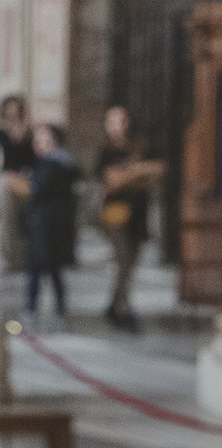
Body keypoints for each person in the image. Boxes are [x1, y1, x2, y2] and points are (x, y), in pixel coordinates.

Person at [94, 105, 163, 331]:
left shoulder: (140, 146)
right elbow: (112, 180)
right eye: (113, 121)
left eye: (122, 121)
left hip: (138, 213)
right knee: (123, 260)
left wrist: (130, 174)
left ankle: (114, 304)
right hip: (115, 212)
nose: (118, 126)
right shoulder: (106, 151)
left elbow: (157, 171)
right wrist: (138, 172)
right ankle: (123, 308)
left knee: (131, 262)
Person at [20, 122, 82, 329]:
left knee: (46, 268)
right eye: (37, 140)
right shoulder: (56, 163)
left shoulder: (55, 164)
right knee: (44, 269)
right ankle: (46, 309)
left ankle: (43, 309)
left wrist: (22, 185)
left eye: (45, 140)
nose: (39, 145)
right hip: (46, 223)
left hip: (48, 224)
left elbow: (37, 190)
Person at [0, 94, 35, 271]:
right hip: (7, 178)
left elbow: (32, 156)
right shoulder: (0, 131)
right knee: (8, 220)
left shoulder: (29, 130)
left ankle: (25, 257)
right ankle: (11, 258)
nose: (12, 110)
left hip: (27, 177)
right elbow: (0, 156)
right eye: (8, 107)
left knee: (26, 219)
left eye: (15, 106)